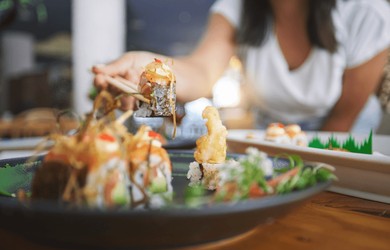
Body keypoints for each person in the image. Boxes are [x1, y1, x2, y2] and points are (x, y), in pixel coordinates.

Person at [93, 0, 390, 132]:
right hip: (274, 143)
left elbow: (342, 121)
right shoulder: (237, 7)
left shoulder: (368, 12)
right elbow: (200, 73)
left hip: (344, 144)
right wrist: (147, 64)